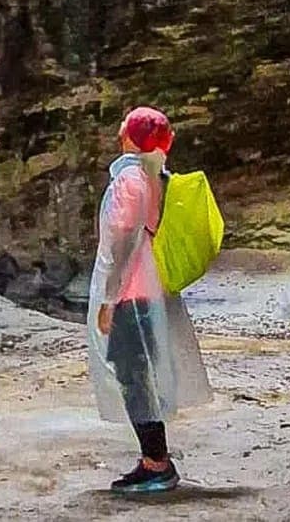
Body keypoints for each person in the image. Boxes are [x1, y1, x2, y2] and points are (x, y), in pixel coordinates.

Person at [87, 105, 211, 494]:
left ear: (129, 137)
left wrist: (108, 299)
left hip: (130, 293)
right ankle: (155, 458)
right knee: (140, 374)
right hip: (148, 288)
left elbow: (122, 241)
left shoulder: (130, 180)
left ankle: (156, 463)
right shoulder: (156, 177)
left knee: (133, 376)